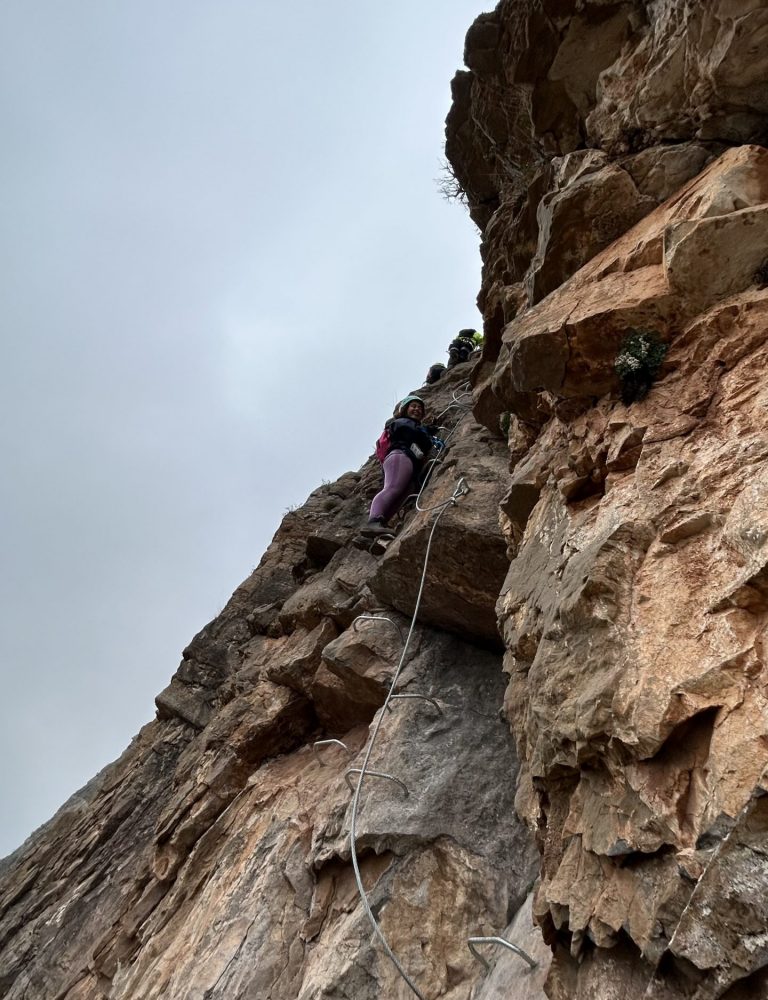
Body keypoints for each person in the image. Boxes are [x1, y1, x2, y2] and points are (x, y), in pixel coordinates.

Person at [363, 395, 436, 537]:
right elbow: (409, 432)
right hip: (400, 456)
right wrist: (425, 434)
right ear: (404, 409)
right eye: (413, 406)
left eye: (420, 408)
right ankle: (373, 522)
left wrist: (426, 430)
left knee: (402, 495)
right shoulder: (401, 422)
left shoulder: (414, 425)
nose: (417, 409)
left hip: (407, 460)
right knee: (393, 488)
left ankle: (378, 530)